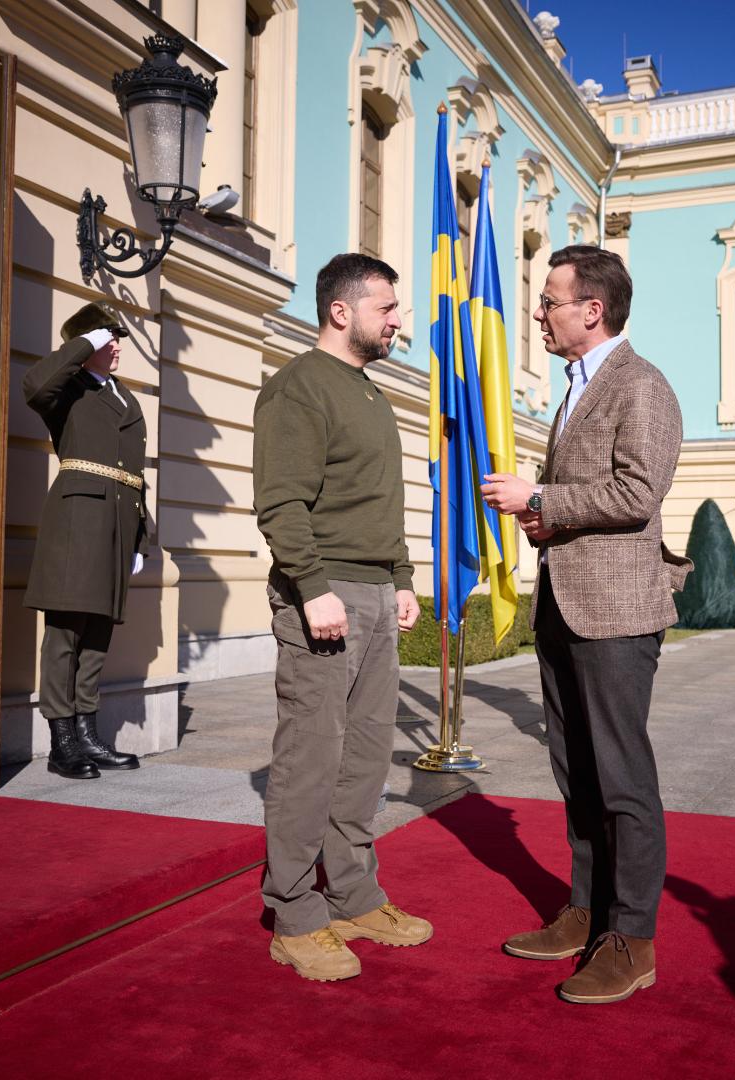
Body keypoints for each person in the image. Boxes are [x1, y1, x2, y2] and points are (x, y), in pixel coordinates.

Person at [481, 244, 690, 1005]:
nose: (540, 312)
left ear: (591, 309)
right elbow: (591, 497)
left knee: (621, 780)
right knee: (577, 776)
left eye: (550, 300)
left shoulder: (641, 386)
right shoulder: (575, 387)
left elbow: (637, 492)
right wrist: (546, 522)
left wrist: (541, 497)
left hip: (615, 612)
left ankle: (629, 940)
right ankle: (586, 910)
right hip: (564, 603)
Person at [252, 253, 428, 982]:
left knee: (364, 758)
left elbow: (373, 505)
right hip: (321, 597)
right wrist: (312, 586)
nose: (397, 322)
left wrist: (401, 579)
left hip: (374, 597)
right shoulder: (298, 388)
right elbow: (281, 502)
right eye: (386, 308)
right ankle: (293, 914)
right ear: (341, 311)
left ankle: (353, 895)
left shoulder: (368, 392)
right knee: (309, 760)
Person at [22, 301, 151, 779]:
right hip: (77, 520)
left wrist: (142, 536)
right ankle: (62, 743)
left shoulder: (125, 398)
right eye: (106, 338)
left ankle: (88, 735)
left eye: (116, 338)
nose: (116, 345)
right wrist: (81, 344)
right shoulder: (68, 391)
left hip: (118, 524)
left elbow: (134, 474)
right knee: (65, 633)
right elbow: (33, 386)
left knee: (97, 633)